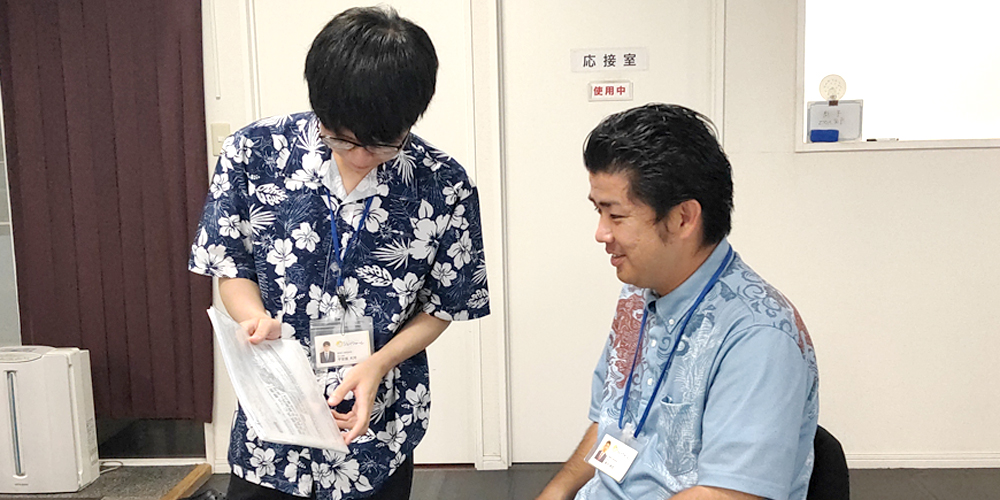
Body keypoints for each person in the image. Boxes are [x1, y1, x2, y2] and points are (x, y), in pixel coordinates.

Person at [189, 6, 489, 499]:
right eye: (343, 140)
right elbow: (231, 266)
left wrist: (379, 363)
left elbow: (443, 306)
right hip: (273, 432)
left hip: (378, 430)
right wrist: (254, 318)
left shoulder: (444, 184)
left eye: (382, 145)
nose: (361, 156)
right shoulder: (253, 154)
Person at [536, 104, 818, 500]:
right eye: (598, 212)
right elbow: (610, 421)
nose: (601, 233)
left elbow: (728, 494)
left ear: (683, 218)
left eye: (616, 216)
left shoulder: (758, 337)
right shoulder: (638, 296)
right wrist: (555, 492)